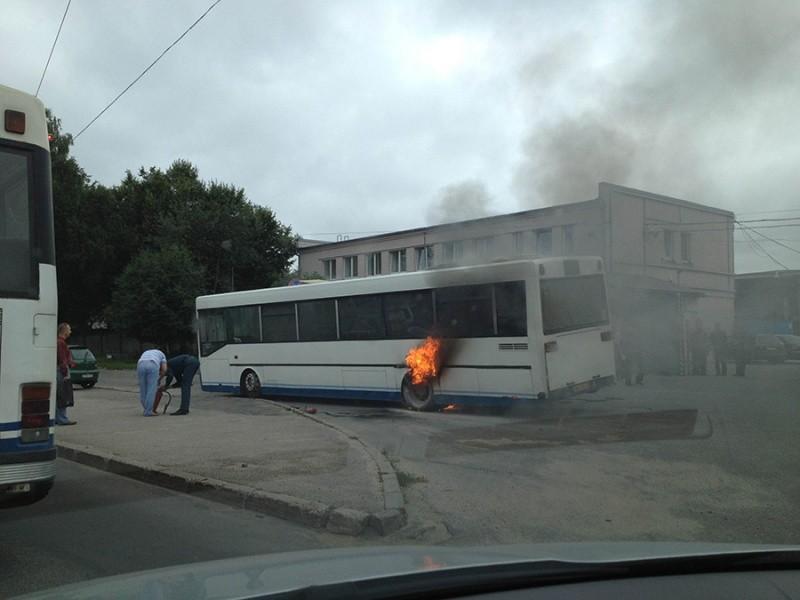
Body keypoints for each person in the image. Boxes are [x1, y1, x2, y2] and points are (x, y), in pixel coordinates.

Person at [55, 323, 77, 425]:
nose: (70, 332)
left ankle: (58, 418)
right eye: (69, 329)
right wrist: (65, 372)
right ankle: (62, 418)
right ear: (64, 330)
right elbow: (62, 358)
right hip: (61, 371)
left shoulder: (60, 342)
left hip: (60, 370)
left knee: (59, 395)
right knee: (63, 395)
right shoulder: (61, 343)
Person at [137, 348, 167, 416]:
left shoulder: (146, 352)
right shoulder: (162, 354)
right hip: (153, 364)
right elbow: (164, 369)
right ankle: (148, 411)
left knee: (143, 389)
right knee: (151, 389)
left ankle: (146, 408)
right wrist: (159, 379)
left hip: (140, 365)